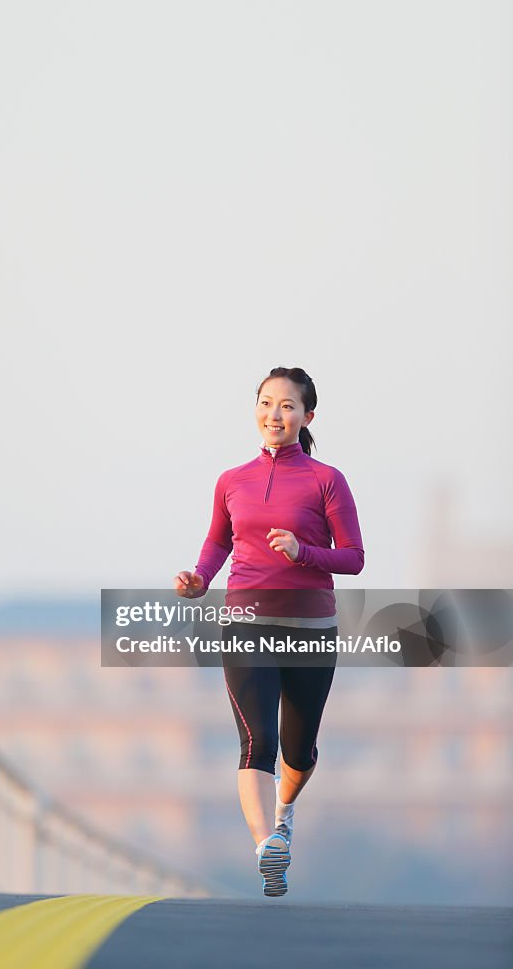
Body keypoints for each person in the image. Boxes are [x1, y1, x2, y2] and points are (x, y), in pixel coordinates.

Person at [173, 366, 364, 897]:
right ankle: (267, 846)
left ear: (307, 417)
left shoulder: (327, 480)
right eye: (265, 402)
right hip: (245, 620)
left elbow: (353, 558)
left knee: (299, 751)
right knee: (257, 741)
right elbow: (217, 543)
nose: (273, 414)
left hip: (309, 626)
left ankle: (283, 809)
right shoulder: (232, 480)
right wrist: (198, 579)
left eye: (286, 405)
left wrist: (305, 553)